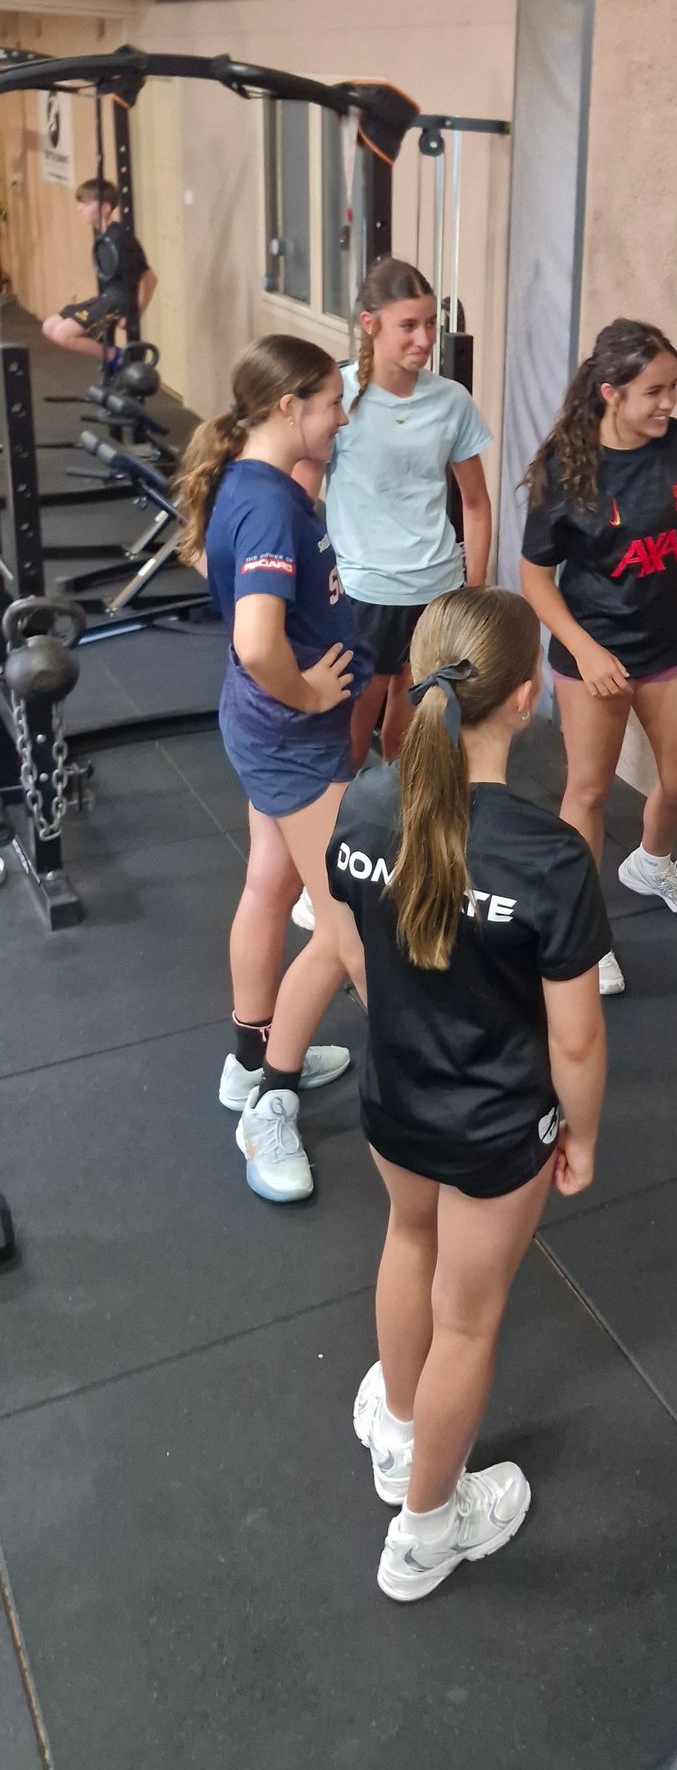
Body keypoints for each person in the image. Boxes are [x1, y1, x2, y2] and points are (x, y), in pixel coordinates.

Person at [330, 587, 608, 1601]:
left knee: (408, 1239)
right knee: (467, 1319)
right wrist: (581, 1135)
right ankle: (424, 1535)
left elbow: (353, 951)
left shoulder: (363, 803)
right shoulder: (547, 854)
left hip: (393, 1099)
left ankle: (401, 1437)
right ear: (527, 699)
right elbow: (576, 1037)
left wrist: (412, 1029)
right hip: (494, 1129)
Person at [175, 334, 371, 1204]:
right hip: (290, 736)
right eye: (331, 404)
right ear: (289, 407)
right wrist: (310, 694)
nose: (342, 418)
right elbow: (258, 644)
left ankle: (248, 1059)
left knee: (269, 883)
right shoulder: (263, 503)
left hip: (269, 729)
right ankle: (271, 1103)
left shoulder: (259, 482)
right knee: (347, 925)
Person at [519, 318, 677, 998]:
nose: (668, 402)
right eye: (653, 391)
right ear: (611, 392)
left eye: (674, 387)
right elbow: (535, 578)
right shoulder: (565, 466)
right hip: (592, 651)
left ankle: (651, 862)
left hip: (665, 644)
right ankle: (586, 937)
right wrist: (584, 651)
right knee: (588, 791)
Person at [286, 255, 493, 935]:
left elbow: (475, 504)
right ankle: (322, 873)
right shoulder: (339, 399)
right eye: (409, 325)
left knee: (414, 739)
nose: (425, 339)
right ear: (370, 324)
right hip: (364, 594)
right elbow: (300, 500)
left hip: (436, 591)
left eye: (431, 324)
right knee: (348, 741)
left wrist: (474, 594)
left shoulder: (451, 401)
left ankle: (394, 855)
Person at [42, 177, 156, 365]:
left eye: (86, 204)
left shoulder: (120, 238)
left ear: (105, 208)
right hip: (106, 297)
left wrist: (135, 313)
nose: (79, 209)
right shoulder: (101, 235)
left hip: (119, 301)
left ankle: (118, 358)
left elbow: (150, 278)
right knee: (50, 326)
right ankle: (108, 352)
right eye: (80, 203)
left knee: (63, 334)